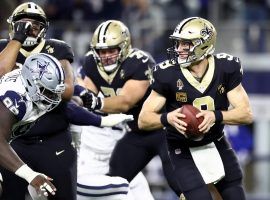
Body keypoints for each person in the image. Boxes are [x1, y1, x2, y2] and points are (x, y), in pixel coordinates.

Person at [138, 17, 253, 200]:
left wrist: (215, 116)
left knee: (235, 195)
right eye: (178, 43)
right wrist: (167, 118)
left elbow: (246, 114)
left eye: (186, 44)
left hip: (215, 141)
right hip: (181, 147)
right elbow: (143, 119)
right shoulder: (167, 74)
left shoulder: (226, 68)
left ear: (204, 44)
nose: (179, 49)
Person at [78, 20, 181, 199]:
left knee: (181, 183)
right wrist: (76, 93)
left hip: (164, 129)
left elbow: (125, 102)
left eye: (112, 50)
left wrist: (94, 102)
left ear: (124, 47)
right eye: (102, 51)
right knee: (113, 183)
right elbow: (86, 97)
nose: (107, 56)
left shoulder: (140, 62)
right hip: (136, 133)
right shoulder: (90, 62)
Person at [0, 2, 73, 199]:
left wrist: (45, 84)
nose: (29, 28)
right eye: (23, 24)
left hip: (51, 138)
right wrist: (17, 38)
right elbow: (1, 72)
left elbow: (68, 90)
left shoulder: (57, 48)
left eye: (35, 24)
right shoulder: (15, 94)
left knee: (62, 194)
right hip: (13, 141)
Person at [0, 53, 65, 198]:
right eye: (47, 91)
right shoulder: (16, 97)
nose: (52, 98)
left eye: (54, 93)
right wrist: (30, 175)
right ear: (31, 82)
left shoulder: (28, 88)